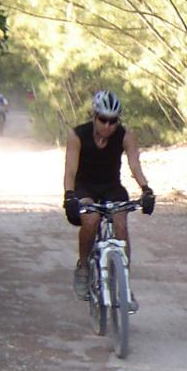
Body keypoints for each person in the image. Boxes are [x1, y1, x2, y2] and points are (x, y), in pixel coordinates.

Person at [63, 90, 155, 310]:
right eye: (103, 119)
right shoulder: (77, 135)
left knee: (121, 225)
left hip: (111, 187)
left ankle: (124, 285)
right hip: (85, 187)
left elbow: (135, 166)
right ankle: (84, 267)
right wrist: (69, 196)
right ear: (94, 116)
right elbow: (70, 171)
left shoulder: (125, 136)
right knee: (91, 220)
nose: (108, 126)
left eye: (113, 121)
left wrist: (146, 189)